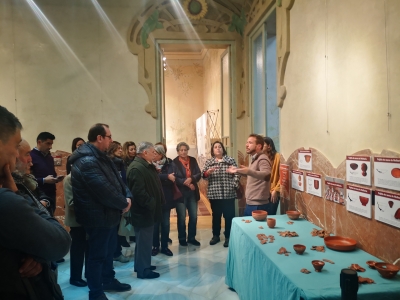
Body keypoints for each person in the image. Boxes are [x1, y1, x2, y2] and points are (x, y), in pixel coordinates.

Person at [0, 106, 71, 299]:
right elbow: (60, 242)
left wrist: (38, 253)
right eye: (16, 147)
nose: (18, 156)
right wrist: (15, 193)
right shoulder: (7, 198)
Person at [69, 123, 132, 300]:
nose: (111, 140)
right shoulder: (87, 161)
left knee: (108, 252)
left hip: (109, 214)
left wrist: (127, 196)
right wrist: (123, 203)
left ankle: (108, 279)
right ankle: (96, 292)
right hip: (98, 216)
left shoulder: (102, 157)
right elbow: (103, 190)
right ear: (99, 138)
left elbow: (118, 181)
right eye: (109, 136)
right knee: (97, 256)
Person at [126, 142, 163, 279]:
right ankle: (143, 270)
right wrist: (152, 203)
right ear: (145, 152)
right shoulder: (137, 167)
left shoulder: (145, 165)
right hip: (143, 211)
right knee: (144, 242)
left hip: (148, 211)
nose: (155, 154)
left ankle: (142, 264)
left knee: (144, 242)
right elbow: (138, 193)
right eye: (153, 151)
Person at [202, 141, 240, 247]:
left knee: (229, 216)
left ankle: (228, 236)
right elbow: (203, 175)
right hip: (215, 194)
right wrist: (207, 172)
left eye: (220, 147)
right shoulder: (210, 162)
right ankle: (216, 236)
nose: (218, 148)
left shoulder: (230, 160)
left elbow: (237, 173)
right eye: (215, 147)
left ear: (223, 149)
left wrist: (234, 185)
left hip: (228, 193)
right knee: (216, 216)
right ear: (213, 150)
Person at [227, 134, 271, 216]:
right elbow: (253, 175)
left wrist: (248, 171)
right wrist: (237, 170)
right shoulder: (254, 158)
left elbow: (267, 175)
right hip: (252, 203)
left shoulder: (262, 158)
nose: (246, 145)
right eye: (247, 142)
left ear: (258, 146)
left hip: (258, 205)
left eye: (250, 143)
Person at [12, 139, 54, 215]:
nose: (31, 161)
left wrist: (45, 201)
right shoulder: (12, 185)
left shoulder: (26, 179)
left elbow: (40, 193)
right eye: (27, 154)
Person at [173, 142, 201, 246]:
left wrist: (191, 179)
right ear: (178, 151)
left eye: (185, 150)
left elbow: (198, 173)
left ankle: (192, 237)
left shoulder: (192, 160)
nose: (184, 152)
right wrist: (188, 184)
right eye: (181, 150)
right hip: (181, 193)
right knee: (181, 217)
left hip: (192, 193)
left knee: (193, 216)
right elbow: (175, 178)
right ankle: (182, 238)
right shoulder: (174, 162)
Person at [106, 141, 131, 261]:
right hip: (116, 199)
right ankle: (115, 254)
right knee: (114, 230)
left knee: (116, 228)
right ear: (112, 150)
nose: (121, 150)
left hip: (121, 197)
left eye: (121, 148)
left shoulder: (120, 162)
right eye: (118, 148)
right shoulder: (112, 163)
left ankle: (115, 253)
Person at [30, 131, 63, 216]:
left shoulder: (49, 157)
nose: (50, 147)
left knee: (51, 218)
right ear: (39, 142)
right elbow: (27, 180)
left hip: (51, 194)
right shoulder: (30, 156)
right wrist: (44, 180)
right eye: (48, 143)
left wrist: (56, 178)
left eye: (51, 144)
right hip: (39, 197)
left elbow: (52, 173)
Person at [152, 144, 176, 256]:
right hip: (154, 199)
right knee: (155, 225)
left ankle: (165, 246)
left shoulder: (169, 163)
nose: (153, 155)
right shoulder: (149, 164)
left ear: (161, 154)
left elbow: (172, 178)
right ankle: (155, 246)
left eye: (155, 153)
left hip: (166, 197)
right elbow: (152, 178)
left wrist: (162, 177)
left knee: (165, 224)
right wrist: (166, 176)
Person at [64, 173, 88, 287]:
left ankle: (89, 273)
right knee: (78, 250)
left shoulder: (87, 176)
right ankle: (75, 277)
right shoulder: (69, 179)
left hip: (89, 220)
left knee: (89, 248)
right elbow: (71, 203)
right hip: (76, 220)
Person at [263, 137, 281, 215]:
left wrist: (276, 190)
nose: (260, 146)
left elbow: (282, 176)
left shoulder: (278, 157)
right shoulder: (262, 158)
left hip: (273, 192)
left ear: (269, 146)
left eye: (263, 144)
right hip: (263, 192)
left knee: (270, 215)